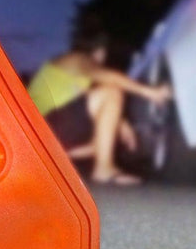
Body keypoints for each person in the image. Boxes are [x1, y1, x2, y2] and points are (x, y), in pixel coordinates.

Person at [28, 26, 172, 185]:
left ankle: (48, 160)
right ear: (100, 51)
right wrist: (151, 92)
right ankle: (103, 170)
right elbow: (110, 79)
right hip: (38, 127)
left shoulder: (75, 74)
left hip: (37, 137)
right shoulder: (78, 59)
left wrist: (122, 125)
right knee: (112, 91)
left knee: (104, 138)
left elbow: (95, 105)